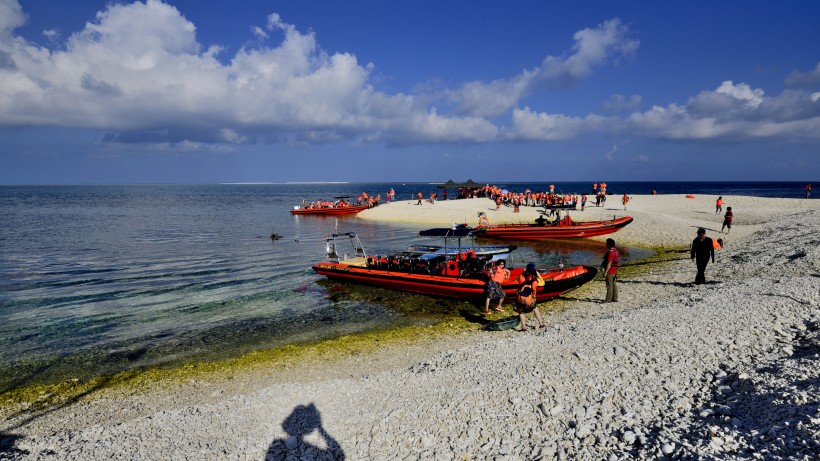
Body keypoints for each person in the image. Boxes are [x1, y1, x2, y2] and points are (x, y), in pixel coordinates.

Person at [515, 263, 545, 331]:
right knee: (535, 309)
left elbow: (517, 280)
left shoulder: (521, 277)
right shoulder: (535, 280)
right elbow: (542, 283)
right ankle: (541, 324)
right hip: (530, 299)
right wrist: (539, 275)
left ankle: (524, 327)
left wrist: (524, 273)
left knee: (521, 312)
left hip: (520, 298)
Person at [601, 238, 620, 302]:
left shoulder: (611, 253)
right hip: (614, 270)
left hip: (610, 271)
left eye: (606, 243)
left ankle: (608, 299)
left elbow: (609, 263)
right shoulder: (616, 251)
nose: (606, 244)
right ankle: (615, 298)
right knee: (614, 284)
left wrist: (605, 272)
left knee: (609, 285)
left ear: (608, 244)